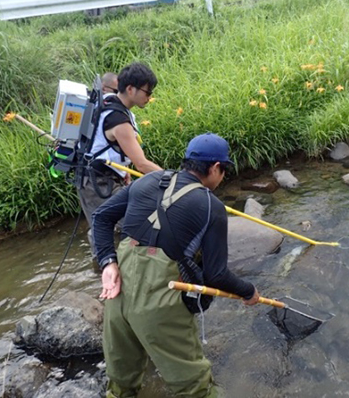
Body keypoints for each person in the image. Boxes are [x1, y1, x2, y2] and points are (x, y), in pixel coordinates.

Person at [92, 132, 260, 398]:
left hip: (117, 295)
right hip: (159, 303)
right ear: (215, 168)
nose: (222, 176)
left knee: (121, 384)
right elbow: (216, 275)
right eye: (224, 170)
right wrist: (248, 291)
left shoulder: (146, 180)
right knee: (194, 387)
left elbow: (101, 217)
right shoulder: (210, 206)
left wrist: (108, 262)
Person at [77, 62, 162, 253]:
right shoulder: (118, 120)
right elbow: (142, 164)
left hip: (107, 177)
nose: (149, 97)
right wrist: (175, 178)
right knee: (121, 227)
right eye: (147, 92)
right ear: (130, 89)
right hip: (96, 183)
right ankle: (105, 272)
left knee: (117, 225)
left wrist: (123, 170)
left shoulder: (110, 101)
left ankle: (110, 264)